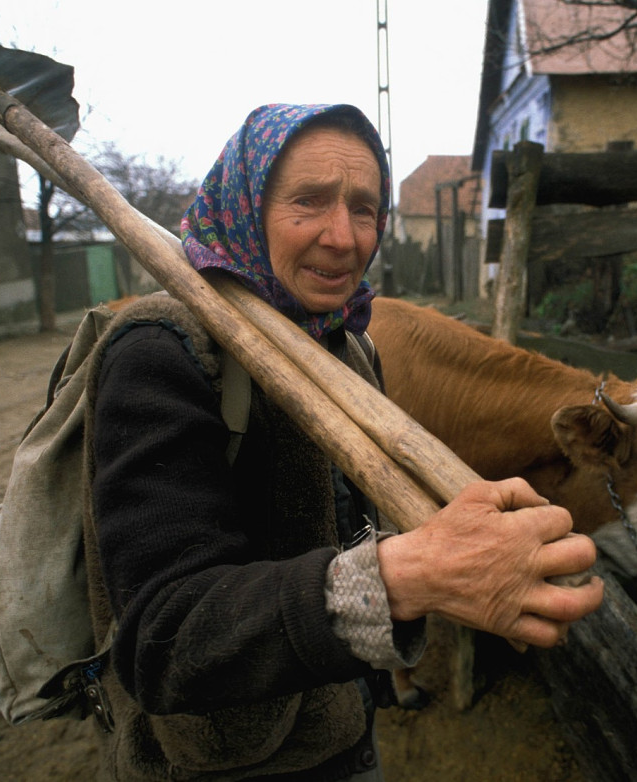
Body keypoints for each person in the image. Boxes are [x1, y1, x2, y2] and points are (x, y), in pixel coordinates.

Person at [80, 103, 604, 781]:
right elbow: (165, 640)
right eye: (308, 201)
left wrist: (442, 541)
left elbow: (351, 530)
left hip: (344, 730)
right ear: (249, 203)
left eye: (365, 208)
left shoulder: (350, 348)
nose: (343, 236)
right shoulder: (161, 352)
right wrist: (410, 576)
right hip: (222, 763)